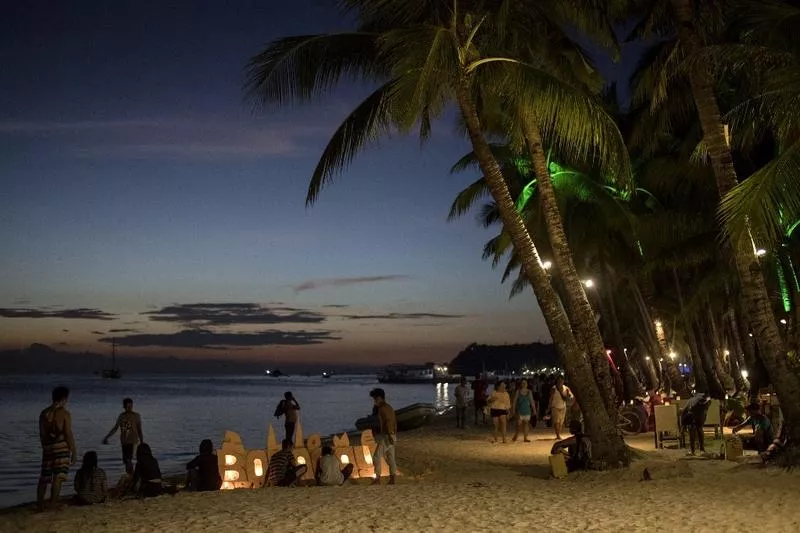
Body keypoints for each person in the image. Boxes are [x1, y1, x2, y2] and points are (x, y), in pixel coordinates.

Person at [37, 386, 77, 511]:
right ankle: (53, 504)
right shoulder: (64, 413)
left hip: (48, 447)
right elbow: (67, 433)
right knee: (58, 477)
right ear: (64, 398)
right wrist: (74, 451)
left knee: (44, 477)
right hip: (61, 447)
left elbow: (42, 434)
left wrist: (45, 447)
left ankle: (40, 504)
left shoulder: (44, 413)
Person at [103, 397, 144, 475]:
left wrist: (142, 442)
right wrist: (107, 437)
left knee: (128, 460)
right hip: (124, 441)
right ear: (124, 406)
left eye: (130, 406)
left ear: (132, 406)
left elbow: (139, 430)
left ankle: (131, 476)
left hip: (133, 441)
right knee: (126, 460)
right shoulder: (122, 416)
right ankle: (129, 476)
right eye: (127, 406)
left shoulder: (136, 416)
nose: (129, 408)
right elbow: (115, 428)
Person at [370, 388, 397, 485]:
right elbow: (393, 421)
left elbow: (388, 421)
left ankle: (377, 478)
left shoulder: (382, 409)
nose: (374, 401)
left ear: (379, 398)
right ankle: (392, 478)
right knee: (391, 457)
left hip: (387, 435)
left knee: (376, 457)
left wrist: (389, 434)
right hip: (392, 434)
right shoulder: (389, 407)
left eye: (375, 399)